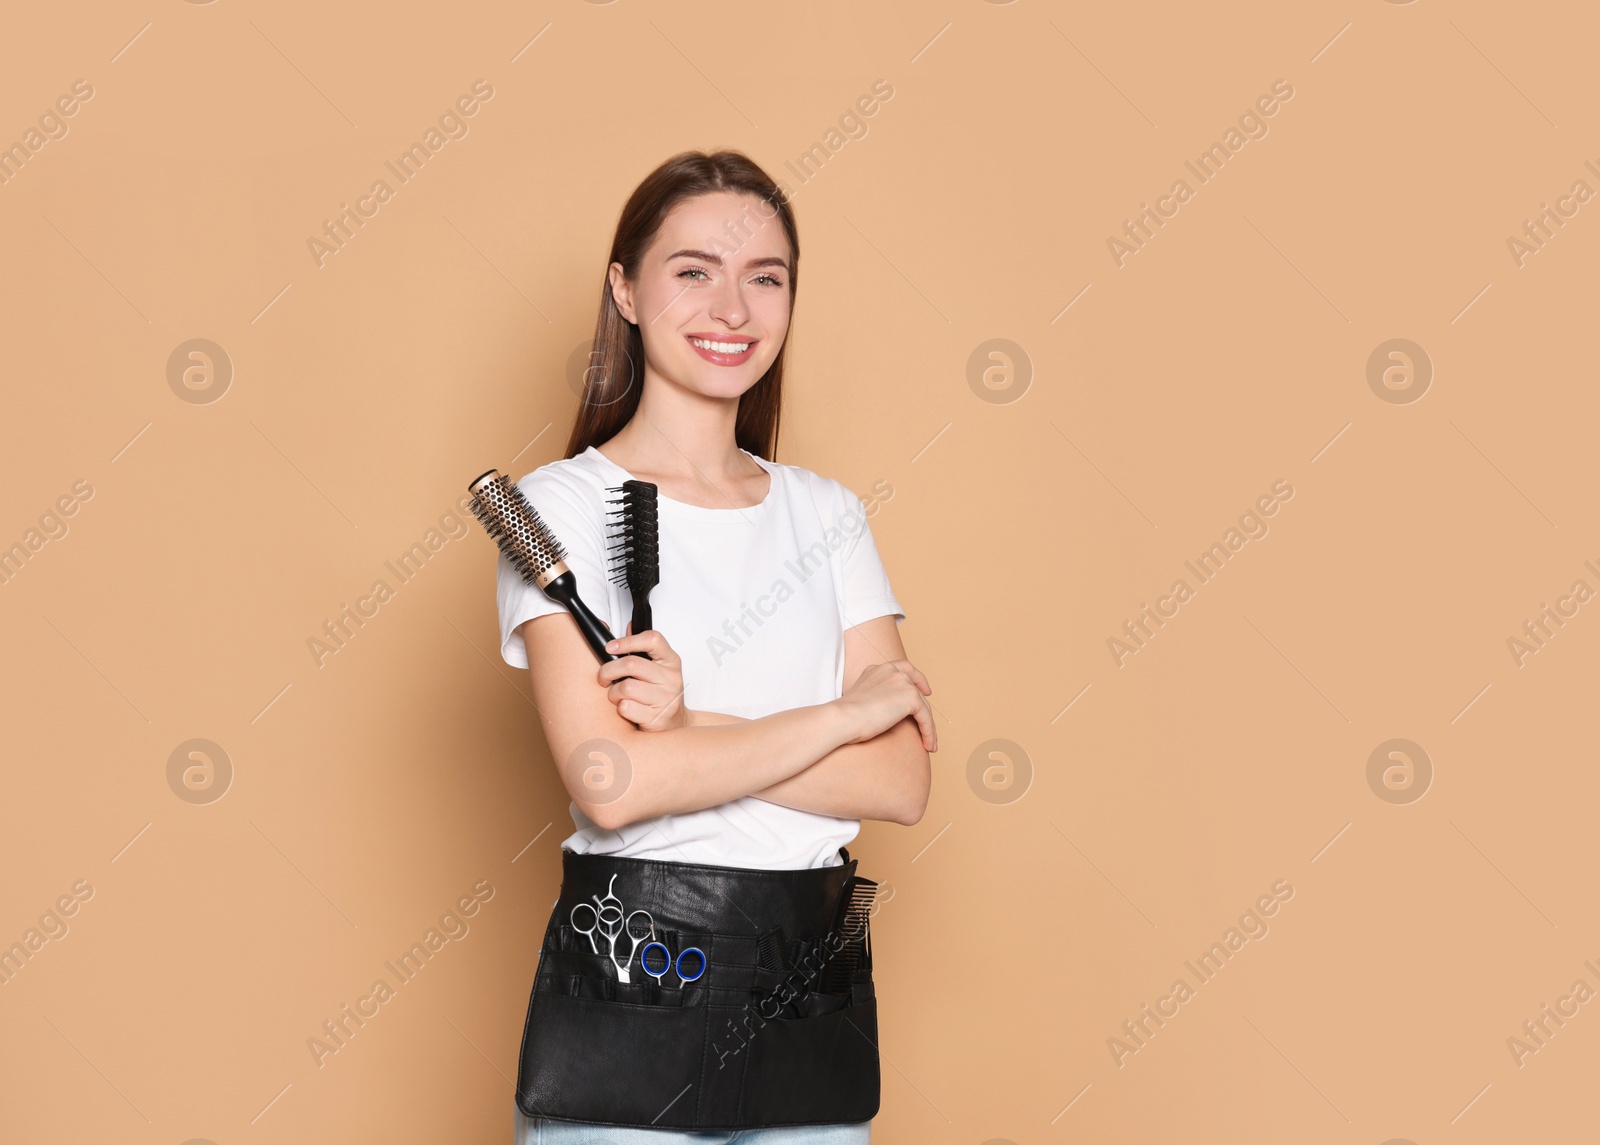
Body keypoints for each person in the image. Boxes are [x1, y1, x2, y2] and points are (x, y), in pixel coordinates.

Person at [494, 150, 936, 1144]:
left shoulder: (827, 515)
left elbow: (901, 781)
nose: (732, 307)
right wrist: (837, 719)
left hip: (808, 996)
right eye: (693, 270)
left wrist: (689, 728)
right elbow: (613, 780)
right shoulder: (558, 510)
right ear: (626, 288)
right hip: (629, 998)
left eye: (765, 276)